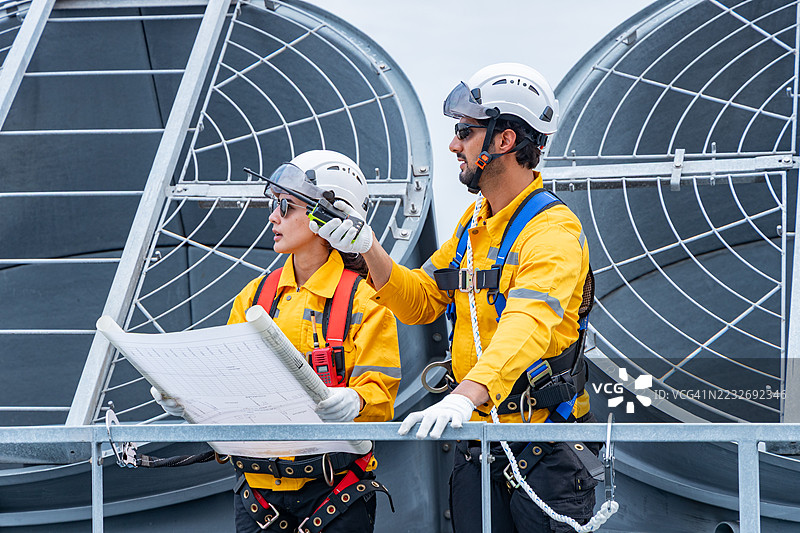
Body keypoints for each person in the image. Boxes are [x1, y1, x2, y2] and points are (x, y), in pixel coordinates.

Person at [312, 63, 600, 532]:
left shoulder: (553, 233)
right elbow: (422, 299)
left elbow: (527, 324)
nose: (453, 145)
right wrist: (368, 249)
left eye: (465, 132)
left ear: (504, 140)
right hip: (480, 448)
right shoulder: (474, 225)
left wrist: (465, 395)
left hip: (545, 453)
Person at [153, 150, 401, 533]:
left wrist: (358, 400)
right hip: (258, 497)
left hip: (336, 493)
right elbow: (226, 383)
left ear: (329, 216)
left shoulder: (366, 302)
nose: (273, 216)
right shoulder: (254, 297)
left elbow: (380, 394)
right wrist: (187, 398)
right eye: (274, 204)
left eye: (285, 206)